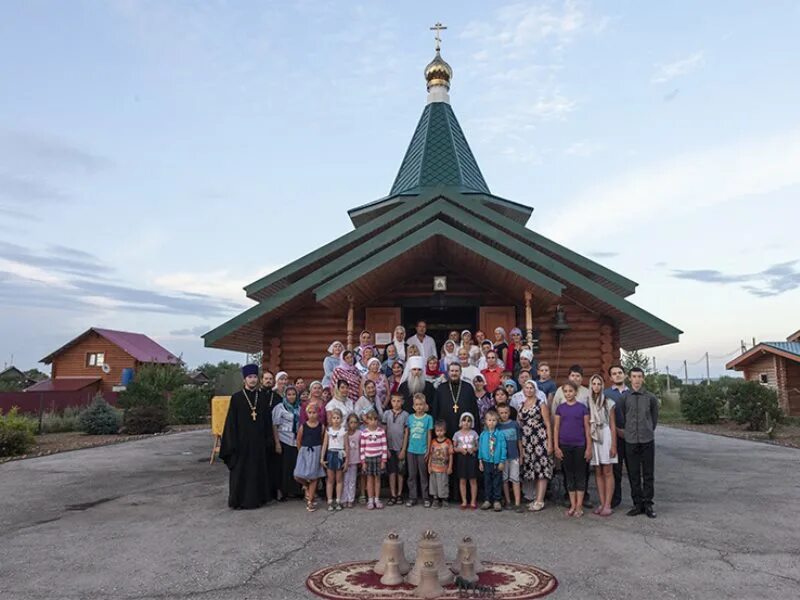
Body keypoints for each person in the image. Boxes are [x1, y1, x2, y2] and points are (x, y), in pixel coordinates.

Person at [219, 364, 273, 509]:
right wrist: (232, 443)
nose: (253, 380)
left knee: (257, 471)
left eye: (255, 377)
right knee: (241, 472)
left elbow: (268, 421)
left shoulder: (262, 397)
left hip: (258, 442)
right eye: (250, 377)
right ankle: (240, 501)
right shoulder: (236, 398)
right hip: (242, 443)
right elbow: (231, 423)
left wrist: (269, 439)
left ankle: (258, 499)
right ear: (244, 379)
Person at [618, 367, 658, 518]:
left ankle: (648, 504)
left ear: (643, 378)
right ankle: (637, 504)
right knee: (633, 473)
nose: (636, 379)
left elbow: (654, 418)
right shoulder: (624, 398)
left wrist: (648, 429)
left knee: (648, 473)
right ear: (629, 378)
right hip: (631, 440)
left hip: (647, 439)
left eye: (639, 376)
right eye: (634, 376)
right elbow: (622, 416)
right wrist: (628, 431)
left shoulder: (650, 398)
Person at [552, 364, 593, 508]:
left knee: (582, 469)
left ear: (581, 379)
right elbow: (554, 413)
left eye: (578, 376)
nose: (575, 378)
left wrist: (589, 444)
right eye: (572, 375)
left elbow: (590, 416)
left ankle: (584, 496)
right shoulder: (560, 391)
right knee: (567, 469)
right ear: (568, 377)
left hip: (580, 439)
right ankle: (569, 496)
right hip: (565, 438)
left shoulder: (587, 393)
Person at [519, 380, 554, 512]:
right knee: (533, 469)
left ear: (535, 389)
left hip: (539, 440)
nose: (529, 390)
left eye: (531, 388)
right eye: (526, 388)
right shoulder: (522, 404)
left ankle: (540, 500)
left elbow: (547, 424)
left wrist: (549, 443)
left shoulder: (541, 404)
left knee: (541, 470)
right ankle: (535, 498)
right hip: (527, 441)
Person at [588, 374, 618, 517]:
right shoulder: (588, 402)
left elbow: (612, 425)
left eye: (599, 384)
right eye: (594, 384)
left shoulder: (608, 402)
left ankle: (608, 504)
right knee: (598, 471)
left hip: (605, 435)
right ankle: (601, 502)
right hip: (594, 436)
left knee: (607, 470)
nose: (596, 386)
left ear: (602, 386)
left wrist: (614, 445)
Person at [271, 385, 303, 501]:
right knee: (285, 467)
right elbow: (274, 425)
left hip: (295, 440)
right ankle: (284, 491)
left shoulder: (299, 407)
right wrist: (277, 443)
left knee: (295, 466)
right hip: (284, 439)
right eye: (289, 394)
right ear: (285, 395)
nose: (291, 397)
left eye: (293, 394)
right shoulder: (280, 408)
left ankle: (296, 491)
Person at [432, 363, 480, 439]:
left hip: (465, 429)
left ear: (460, 372)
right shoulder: (441, 388)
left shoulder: (468, 387)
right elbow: (435, 409)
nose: (454, 373)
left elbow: (474, 409)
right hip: (445, 428)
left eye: (456, 371)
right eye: (452, 371)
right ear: (448, 372)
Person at [293, 403, 326, 512]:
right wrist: (301, 451)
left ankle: (310, 501)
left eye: (314, 413)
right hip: (305, 451)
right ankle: (306, 486)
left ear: (318, 413)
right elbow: (298, 440)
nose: (312, 415)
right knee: (297, 475)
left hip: (316, 452)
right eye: (310, 413)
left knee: (314, 477)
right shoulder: (303, 426)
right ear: (306, 414)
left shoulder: (321, 427)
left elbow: (322, 440)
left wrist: (320, 453)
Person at [604, 364, 628, 508]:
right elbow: (604, 415)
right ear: (610, 377)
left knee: (634, 469)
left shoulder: (631, 393)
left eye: (620, 373)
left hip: (631, 436)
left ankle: (638, 500)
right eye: (614, 373)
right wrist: (617, 430)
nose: (617, 375)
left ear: (624, 375)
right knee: (616, 469)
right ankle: (615, 499)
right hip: (614, 436)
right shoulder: (606, 394)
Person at [405, 392, 433, 507]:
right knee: (412, 475)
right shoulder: (410, 418)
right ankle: (412, 497)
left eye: (421, 404)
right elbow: (407, 434)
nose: (419, 407)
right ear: (413, 406)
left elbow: (429, 434)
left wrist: (428, 450)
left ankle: (426, 497)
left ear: (425, 405)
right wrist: (405, 448)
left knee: (423, 475)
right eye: (417, 405)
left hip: (422, 450)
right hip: (411, 450)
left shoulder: (428, 418)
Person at [382, 392, 409, 506]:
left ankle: (399, 494)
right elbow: (383, 431)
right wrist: (385, 449)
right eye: (394, 401)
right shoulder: (387, 414)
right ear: (391, 402)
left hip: (400, 448)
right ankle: (392, 494)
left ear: (402, 402)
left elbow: (407, 433)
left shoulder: (406, 415)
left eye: (398, 401)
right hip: (390, 448)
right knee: (392, 472)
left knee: (400, 472)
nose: (396, 403)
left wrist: (403, 449)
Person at [497, 404, 524, 513]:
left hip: (514, 456)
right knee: (504, 479)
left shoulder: (515, 424)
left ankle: (517, 503)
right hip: (503, 458)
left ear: (509, 412)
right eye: (501, 413)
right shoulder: (497, 426)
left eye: (506, 412)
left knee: (515, 479)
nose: (504, 415)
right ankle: (508, 501)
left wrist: (521, 455)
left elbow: (519, 441)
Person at [359, 408, 388, 510]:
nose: (373, 422)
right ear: (367, 420)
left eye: (375, 420)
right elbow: (362, 448)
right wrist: (363, 462)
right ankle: (370, 500)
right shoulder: (364, 433)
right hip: (368, 459)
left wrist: (383, 460)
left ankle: (377, 499)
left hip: (378, 458)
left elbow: (384, 446)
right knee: (369, 479)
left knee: (377, 480)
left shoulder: (381, 432)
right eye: (371, 420)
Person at [478, 409, 507, 512]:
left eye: (494, 420)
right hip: (486, 461)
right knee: (487, 481)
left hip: (496, 462)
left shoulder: (500, 434)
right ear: (485, 421)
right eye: (489, 420)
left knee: (497, 482)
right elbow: (480, 448)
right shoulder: (483, 435)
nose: (491, 422)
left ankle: (497, 500)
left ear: (497, 421)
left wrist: (502, 461)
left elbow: (503, 448)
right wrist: (480, 460)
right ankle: (487, 500)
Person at [321, 408, 346, 511]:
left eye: (338, 418)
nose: (336, 420)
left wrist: (347, 460)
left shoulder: (344, 431)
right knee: (330, 480)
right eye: (334, 418)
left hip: (340, 454)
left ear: (341, 419)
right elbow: (325, 445)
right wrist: (322, 458)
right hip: (331, 454)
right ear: (331, 419)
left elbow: (346, 446)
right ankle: (330, 501)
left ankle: (339, 500)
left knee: (339, 480)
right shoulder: (328, 430)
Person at [453, 412, 479, 510]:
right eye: (464, 420)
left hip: (471, 458)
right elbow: (454, 447)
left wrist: (473, 449)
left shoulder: (474, 433)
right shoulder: (457, 434)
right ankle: (464, 501)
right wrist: (460, 450)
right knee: (462, 480)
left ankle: (473, 501)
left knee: (473, 480)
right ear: (461, 422)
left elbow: (478, 446)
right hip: (461, 459)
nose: (466, 423)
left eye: (469, 421)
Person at [427, 420, 454, 508]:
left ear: (445, 431)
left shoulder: (448, 442)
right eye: (437, 431)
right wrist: (429, 466)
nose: (439, 433)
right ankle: (435, 499)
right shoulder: (433, 441)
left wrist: (450, 467)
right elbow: (430, 454)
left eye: (441, 430)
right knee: (434, 484)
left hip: (444, 468)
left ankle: (444, 499)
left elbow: (450, 455)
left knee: (443, 484)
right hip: (434, 468)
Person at [341, 414, 361, 508]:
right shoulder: (344, 433)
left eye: (355, 422)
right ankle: (343, 498)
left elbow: (361, 446)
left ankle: (350, 499)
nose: (353, 424)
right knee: (344, 480)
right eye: (351, 422)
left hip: (354, 459)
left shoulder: (359, 433)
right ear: (348, 423)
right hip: (345, 460)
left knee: (352, 480)